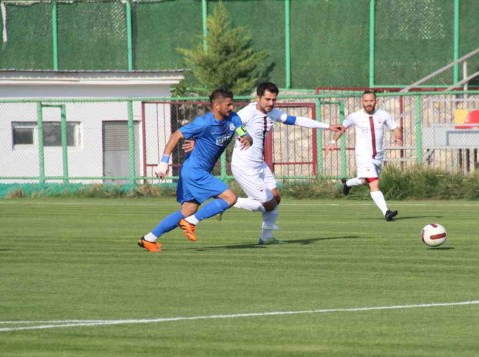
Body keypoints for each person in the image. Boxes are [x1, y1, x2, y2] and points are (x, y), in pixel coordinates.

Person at [183, 82, 343, 244]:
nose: (271, 103)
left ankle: (266, 238)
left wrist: (327, 126)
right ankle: (226, 203)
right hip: (244, 166)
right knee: (269, 204)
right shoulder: (247, 113)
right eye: (267, 99)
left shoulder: (272, 112)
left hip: (259, 164)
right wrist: (197, 140)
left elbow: (295, 120)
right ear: (258, 98)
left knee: (276, 198)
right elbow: (221, 125)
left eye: (274, 100)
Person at [138, 87, 252, 252]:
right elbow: (176, 135)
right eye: (228, 104)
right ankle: (191, 222)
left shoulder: (233, 118)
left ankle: (149, 239)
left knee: (188, 210)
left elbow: (243, 132)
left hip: (195, 171)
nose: (232, 107)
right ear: (217, 106)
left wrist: (247, 138)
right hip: (195, 171)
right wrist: (164, 162)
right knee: (230, 198)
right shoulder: (203, 123)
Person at [329, 90, 403, 221]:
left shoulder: (383, 115)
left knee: (365, 181)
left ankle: (347, 183)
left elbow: (395, 128)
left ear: (376, 101)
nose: (368, 103)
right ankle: (386, 212)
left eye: (371, 101)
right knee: (374, 183)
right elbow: (342, 128)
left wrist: (398, 137)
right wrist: (333, 141)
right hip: (363, 155)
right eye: (366, 101)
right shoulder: (355, 116)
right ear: (362, 102)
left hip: (378, 156)